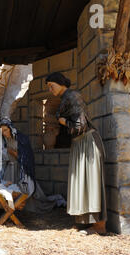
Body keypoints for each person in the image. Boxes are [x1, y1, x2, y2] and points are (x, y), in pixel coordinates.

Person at [46, 72, 107, 235]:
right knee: (82, 183)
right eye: (48, 87)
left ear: (61, 83)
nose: (50, 89)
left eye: (52, 85)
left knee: (91, 184)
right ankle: (85, 223)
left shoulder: (72, 96)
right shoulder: (67, 97)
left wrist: (63, 121)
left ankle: (99, 226)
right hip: (80, 143)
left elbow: (80, 125)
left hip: (87, 142)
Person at [0, 118, 66, 214]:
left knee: (31, 200)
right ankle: (12, 210)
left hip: (22, 170)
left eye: (5, 130)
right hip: (10, 169)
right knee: (10, 193)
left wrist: (10, 151)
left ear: (10, 128)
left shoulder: (21, 139)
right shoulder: (5, 139)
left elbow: (24, 157)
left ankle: (54, 201)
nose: (4, 133)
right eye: (1, 131)